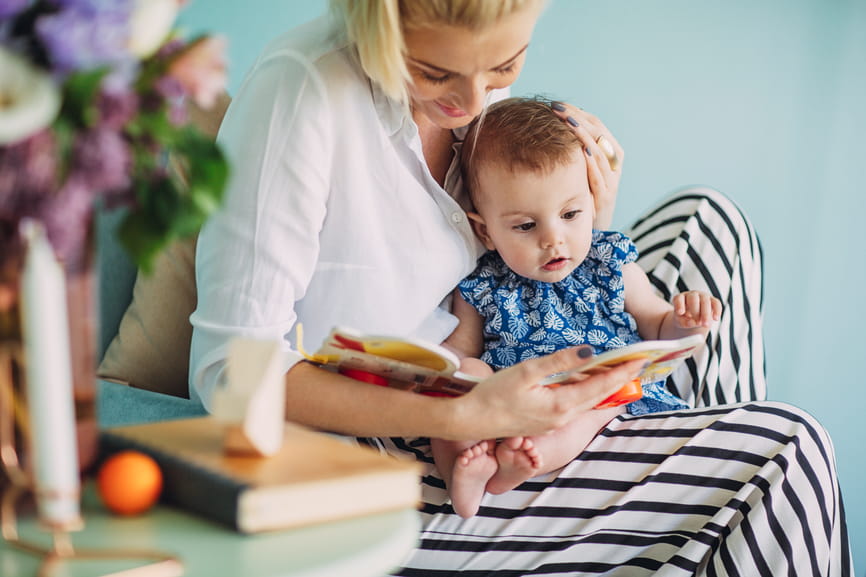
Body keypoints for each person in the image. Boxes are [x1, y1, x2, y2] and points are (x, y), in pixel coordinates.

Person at [188, 0, 853, 573]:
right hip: (403, 445)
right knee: (786, 457)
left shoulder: (474, 105)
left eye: (505, 66)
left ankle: (688, 467)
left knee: (711, 222)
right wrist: (458, 413)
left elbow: (508, 242)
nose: (474, 104)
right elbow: (229, 374)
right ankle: (711, 490)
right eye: (434, 72)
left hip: (506, 368)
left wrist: (582, 220)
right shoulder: (302, 94)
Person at [431, 97, 722, 518]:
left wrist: (686, 322)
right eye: (526, 226)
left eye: (570, 214)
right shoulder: (481, 283)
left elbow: (657, 326)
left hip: (594, 395)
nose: (554, 239)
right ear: (485, 230)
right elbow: (461, 349)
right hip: (510, 396)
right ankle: (464, 473)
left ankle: (521, 463)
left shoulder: (610, 265)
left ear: (592, 200)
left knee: (587, 409)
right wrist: (455, 374)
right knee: (460, 380)